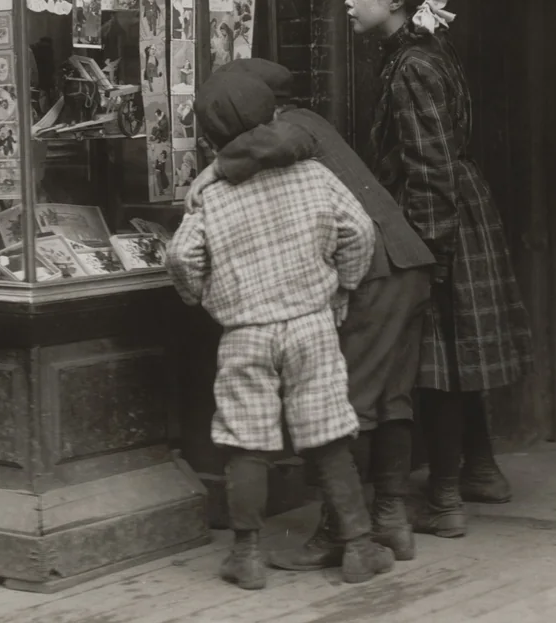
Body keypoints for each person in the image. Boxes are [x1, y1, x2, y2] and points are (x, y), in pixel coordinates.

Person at [185, 58, 435, 567]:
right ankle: (390, 520)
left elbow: (276, 144)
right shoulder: (303, 127)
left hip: (375, 273)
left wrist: (215, 169)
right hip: (406, 264)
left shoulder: (291, 128)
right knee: (391, 401)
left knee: (346, 409)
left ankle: (341, 537)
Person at [346, 0, 532, 538]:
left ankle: (446, 500)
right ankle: (480, 471)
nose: (348, 2)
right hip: (452, 206)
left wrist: (432, 252)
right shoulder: (424, 53)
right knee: (455, 350)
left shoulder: (413, 67)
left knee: (436, 358)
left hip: (436, 212)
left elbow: (428, 165)